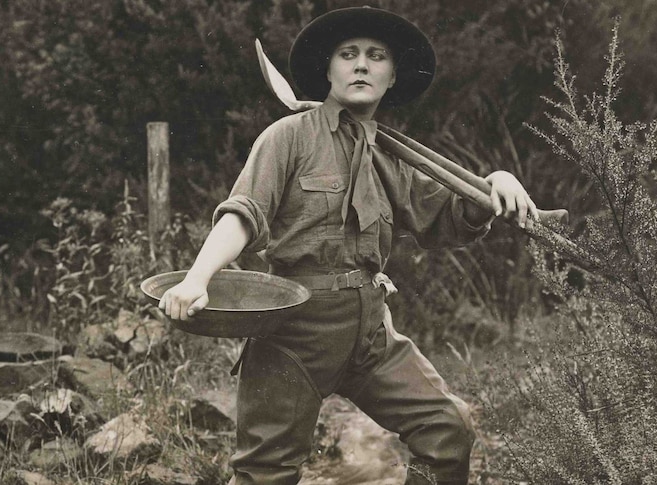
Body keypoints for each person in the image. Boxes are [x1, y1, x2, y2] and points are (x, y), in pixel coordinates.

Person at [159, 6, 537, 485]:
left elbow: (445, 217)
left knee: (447, 428)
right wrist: (198, 278)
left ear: (392, 73)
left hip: (370, 330)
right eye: (348, 54)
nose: (361, 65)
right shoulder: (288, 137)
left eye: (376, 55)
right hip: (294, 329)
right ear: (329, 68)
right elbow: (243, 214)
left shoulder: (391, 154)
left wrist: (494, 184)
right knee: (265, 473)